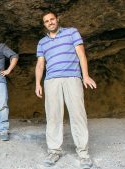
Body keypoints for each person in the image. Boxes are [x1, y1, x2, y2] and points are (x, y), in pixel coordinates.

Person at [35, 11, 97, 169]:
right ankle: (54, 151)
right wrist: (37, 83)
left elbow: (81, 55)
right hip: (51, 81)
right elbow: (40, 64)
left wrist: (86, 76)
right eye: (47, 21)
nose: (50, 22)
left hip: (72, 78)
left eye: (52, 19)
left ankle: (83, 153)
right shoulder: (42, 42)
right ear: (44, 24)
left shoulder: (72, 32)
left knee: (78, 115)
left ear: (57, 20)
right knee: (53, 116)